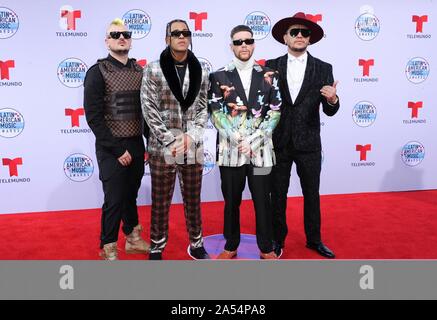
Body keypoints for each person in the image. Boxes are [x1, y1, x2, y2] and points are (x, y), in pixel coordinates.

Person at [266, 12, 340, 259]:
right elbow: (263, 105)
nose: (299, 36)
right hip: (279, 141)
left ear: (310, 39)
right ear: (285, 37)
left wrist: (333, 100)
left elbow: (330, 111)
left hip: (309, 143)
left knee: (312, 193)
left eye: (304, 33)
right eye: (294, 32)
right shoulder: (270, 67)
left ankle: (314, 239)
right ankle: (278, 239)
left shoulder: (324, 68)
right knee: (277, 194)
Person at [208, 25, 282, 260]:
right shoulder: (218, 76)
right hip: (231, 151)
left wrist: (254, 140)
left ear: (253, 44)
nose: (243, 45)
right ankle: (231, 245)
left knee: (263, 200)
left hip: (260, 151)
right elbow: (216, 113)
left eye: (247, 41)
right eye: (238, 42)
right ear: (231, 46)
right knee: (231, 201)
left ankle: (266, 247)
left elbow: (275, 111)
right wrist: (239, 140)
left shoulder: (270, 75)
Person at [141, 19, 210, 260]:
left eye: (186, 33)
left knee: (193, 198)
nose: (182, 36)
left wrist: (192, 136)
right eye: (176, 33)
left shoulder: (202, 68)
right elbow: (149, 108)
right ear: (167, 38)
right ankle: (157, 245)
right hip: (163, 147)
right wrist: (170, 140)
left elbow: (203, 107)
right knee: (160, 201)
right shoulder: (152, 69)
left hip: (192, 145)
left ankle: (197, 242)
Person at [84, 18, 150, 260]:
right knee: (114, 198)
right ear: (107, 41)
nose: (121, 38)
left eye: (125, 34)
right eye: (115, 35)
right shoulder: (97, 72)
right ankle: (108, 245)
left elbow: (145, 111)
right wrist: (115, 149)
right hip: (111, 146)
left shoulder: (140, 71)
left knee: (130, 195)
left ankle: (133, 238)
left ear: (130, 40)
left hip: (136, 143)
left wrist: (149, 143)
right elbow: (93, 117)